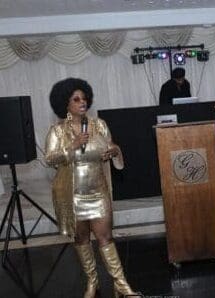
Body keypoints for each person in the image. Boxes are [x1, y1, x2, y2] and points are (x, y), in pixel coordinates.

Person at [44, 78, 141, 298]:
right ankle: (92, 281)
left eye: (84, 98)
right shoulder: (57, 131)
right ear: (65, 104)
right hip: (71, 194)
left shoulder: (99, 125)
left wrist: (114, 151)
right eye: (75, 99)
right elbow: (49, 159)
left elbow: (112, 146)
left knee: (105, 236)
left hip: (98, 191)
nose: (82, 102)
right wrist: (72, 146)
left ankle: (121, 284)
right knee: (81, 239)